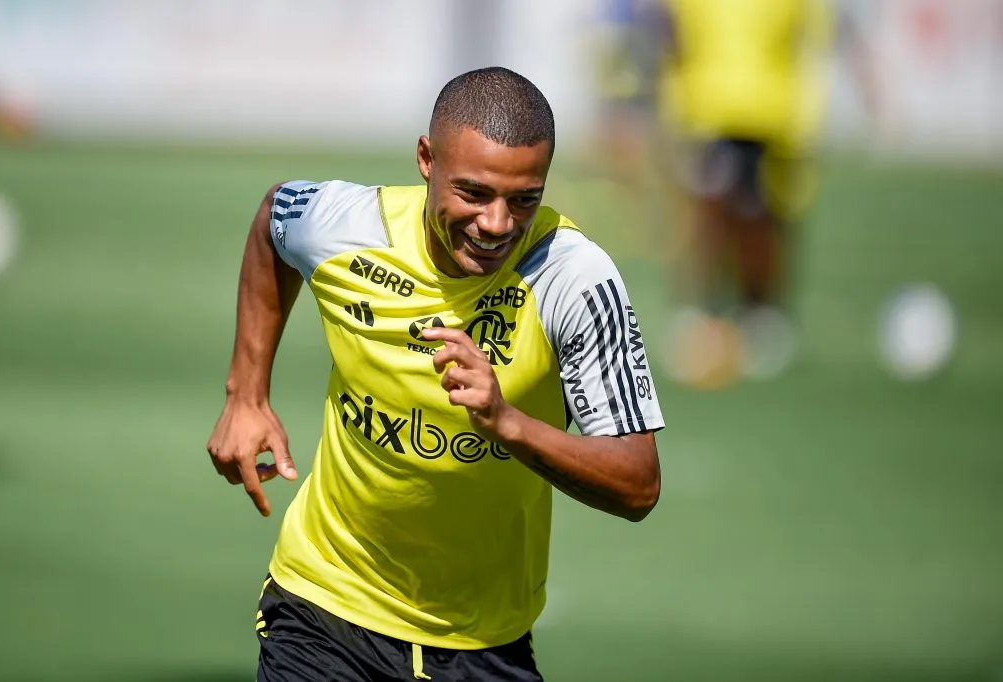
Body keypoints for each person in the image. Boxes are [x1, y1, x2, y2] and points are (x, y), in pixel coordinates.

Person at [206, 67, 665, 682]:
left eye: (524, 199)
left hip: (482, 641)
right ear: (427, 159)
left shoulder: (574, 281)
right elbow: (274, 218)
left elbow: (637, 484)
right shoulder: (349, 228)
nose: (497, 224)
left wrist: (508, 423)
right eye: (474, 193)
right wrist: (246, 393)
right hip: (323, 606)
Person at [651, 0, 880, 385]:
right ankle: (701, 310)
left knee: (761, 214)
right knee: (706, 209)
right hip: (706, 103)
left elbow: (823, 29)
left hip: (770, 108)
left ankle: (760, 313)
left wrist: (861, 83)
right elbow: (671, 25)